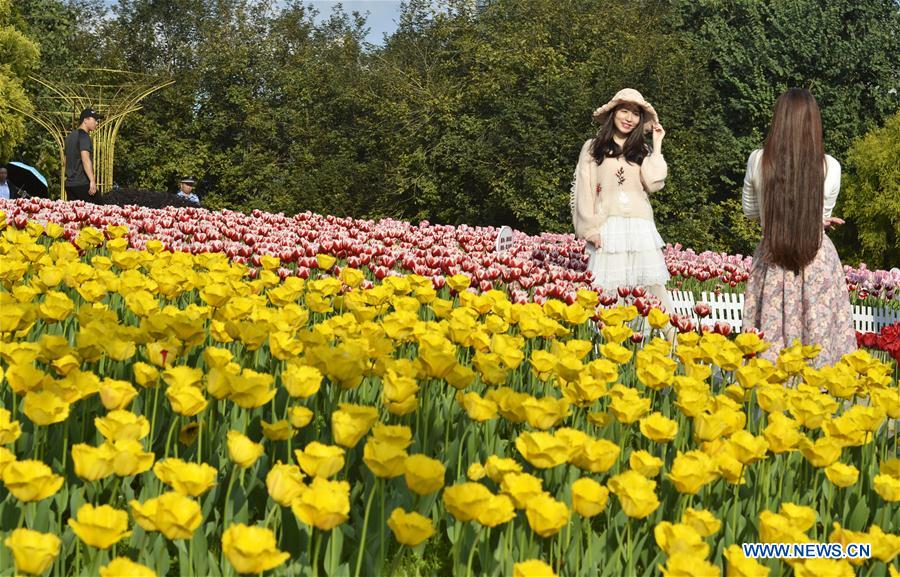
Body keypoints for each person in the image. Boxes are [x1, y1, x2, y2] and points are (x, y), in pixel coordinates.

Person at [741, 88, 856, 367]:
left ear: (778, 120)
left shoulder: (758, 160)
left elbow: (750, 211)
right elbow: (822, 215)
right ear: (814, 123)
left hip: (773, 253)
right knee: (819, 335)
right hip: (816, 257)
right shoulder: (830, 166)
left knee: (769, 348)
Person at [571, 88, 675, 314]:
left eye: (635, 114)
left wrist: (657, 145)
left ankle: (674, 344)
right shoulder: (592, 147)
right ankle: (610, 344)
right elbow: (584, 192)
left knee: (654, 289)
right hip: (608, 226)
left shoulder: (643, 150)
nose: (629, 118)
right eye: (624, 111)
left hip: (640, 226)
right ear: (613, 113)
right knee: (608, 290)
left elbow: (655, 183)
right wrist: (590, 229)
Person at [64, 107, 102, 202]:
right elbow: (85, 159)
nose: (97, 123)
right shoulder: (84, 136)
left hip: (70, 185)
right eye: (95, 120)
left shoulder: (70, 137)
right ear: (85, 120)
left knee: (75, 215)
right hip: (83, 184)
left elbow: (65, 161)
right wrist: (92, 181)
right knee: (101, 211)